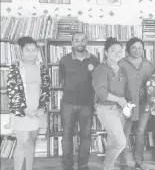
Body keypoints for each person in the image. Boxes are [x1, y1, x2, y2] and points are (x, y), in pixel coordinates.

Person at [6, 36, 50, 170]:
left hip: (37, 111)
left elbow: (46, 89)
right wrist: (24, 109)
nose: (31, 53)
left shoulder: (41, 67)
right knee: (22, 143)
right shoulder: (15, 67)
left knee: (31, 141)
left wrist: (42, 108)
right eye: (28, 50)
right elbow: (12, 91)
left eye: (34, 50)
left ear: (37, 51)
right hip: (22, 111)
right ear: (21, 51)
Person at [59, 32, 100, 170]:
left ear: (86, 42)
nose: (80, 43)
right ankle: (67, 165)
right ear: (72, 43)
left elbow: (97, 82)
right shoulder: (64, 60)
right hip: (68, 104)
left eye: (83, 40)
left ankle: (83, 165)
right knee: (66, 135)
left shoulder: (94, 60)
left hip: (87, 105)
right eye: (76, 40)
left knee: (86, 136)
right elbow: (62, 80)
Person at [118, 37, 155, 170]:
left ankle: (139, 161)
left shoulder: (149, 64)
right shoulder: (121, 63)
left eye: (140, 47)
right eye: (133, 47)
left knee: (140, 132)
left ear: (143, 49)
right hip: (126, 104)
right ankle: (123, 162)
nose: (137, 50)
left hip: (144, 104)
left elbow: (154, 83)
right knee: (124, 133)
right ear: (128, 49)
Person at [92, 37, 129, 170]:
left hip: (120, 110)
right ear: (106, 52)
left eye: (120, 51)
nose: (117, 53)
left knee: (113, 141)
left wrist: (126, 105)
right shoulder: (101, 69)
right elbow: (101, 92)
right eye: (113, 50)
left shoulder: (122, 69)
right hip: (106, 109)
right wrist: (119, 99)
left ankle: (108, 167)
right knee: (120, 143)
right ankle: (108, 166)